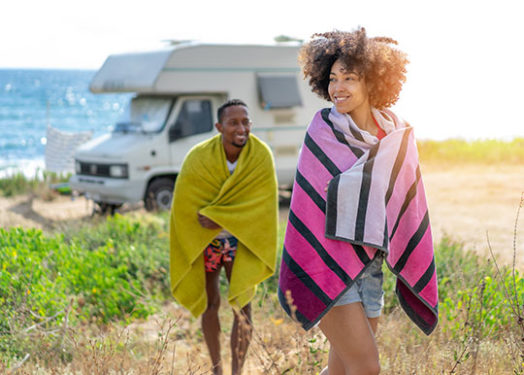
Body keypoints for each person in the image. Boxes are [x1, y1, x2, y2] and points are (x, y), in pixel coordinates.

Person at [278, 28, 439, 374]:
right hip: (326, 265)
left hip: (371, 269)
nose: (338, 88)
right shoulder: (323, 131)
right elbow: (310, 207)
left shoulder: (398, 134)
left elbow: (407, 206)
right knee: (367, 367)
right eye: (333, 78)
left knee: (341, 369)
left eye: (349, 78)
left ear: (373, 82)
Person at [169, 99, 278, 375]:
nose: (241, 128)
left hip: (242, 242)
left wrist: (221, 217)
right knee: (211, 303)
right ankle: (217, 370)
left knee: (243, 305)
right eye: (233, 123)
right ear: (219, 127)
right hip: (207, 241)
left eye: (245, 122)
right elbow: (184, 204)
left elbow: (263, 205)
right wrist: (208, 219)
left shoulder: (261, 155)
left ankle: (237, 371)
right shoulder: (198, 157)